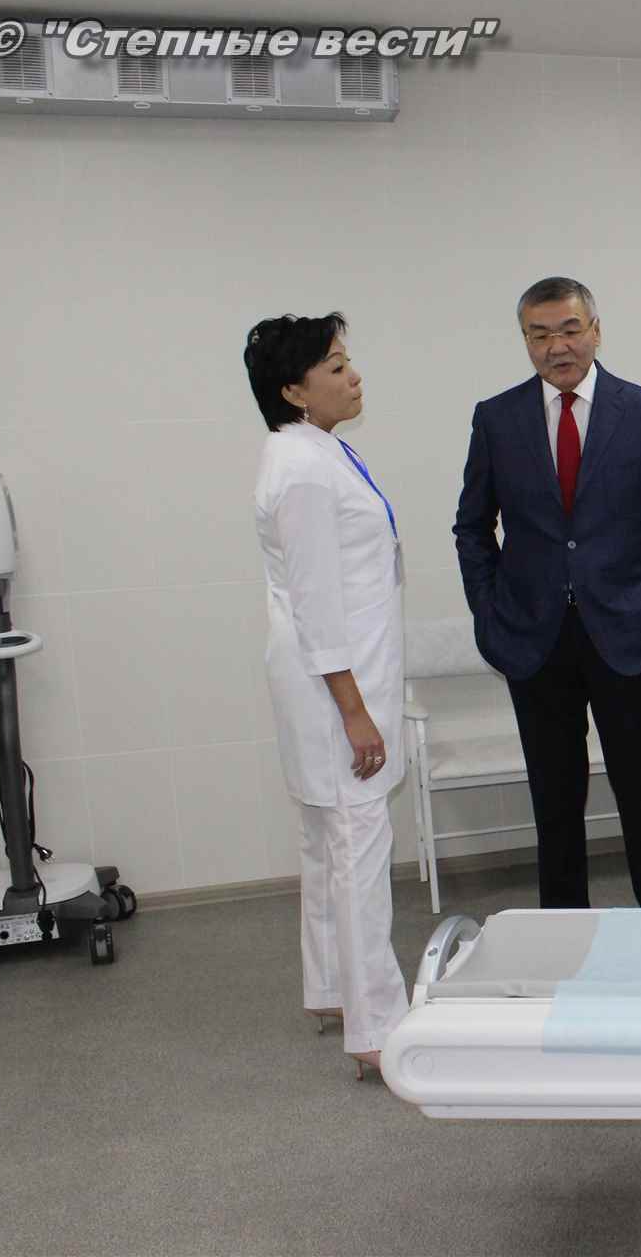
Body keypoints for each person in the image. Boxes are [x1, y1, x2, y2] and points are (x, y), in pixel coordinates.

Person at [454, 278, 641, 910]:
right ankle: (561, 940)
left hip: (627, 632)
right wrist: (489, 612)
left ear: (595, 330)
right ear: (525, 341)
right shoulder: (497, 418)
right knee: (554, 801)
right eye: (539, 334)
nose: (556, 346)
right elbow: (472, 527)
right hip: (533, 639)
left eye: (569, 330)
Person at [247, 313, 407, 1079]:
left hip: (334, 676)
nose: (354, 376)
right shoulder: (304, 469)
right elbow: (315, 601)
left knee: (327, 841)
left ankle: (333, 990)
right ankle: (378, 1027)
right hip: (336, 688)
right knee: (356, 845)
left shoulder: (312, 450)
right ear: (293, 390)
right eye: (336, 367)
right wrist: (354, 711)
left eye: (349, 361)